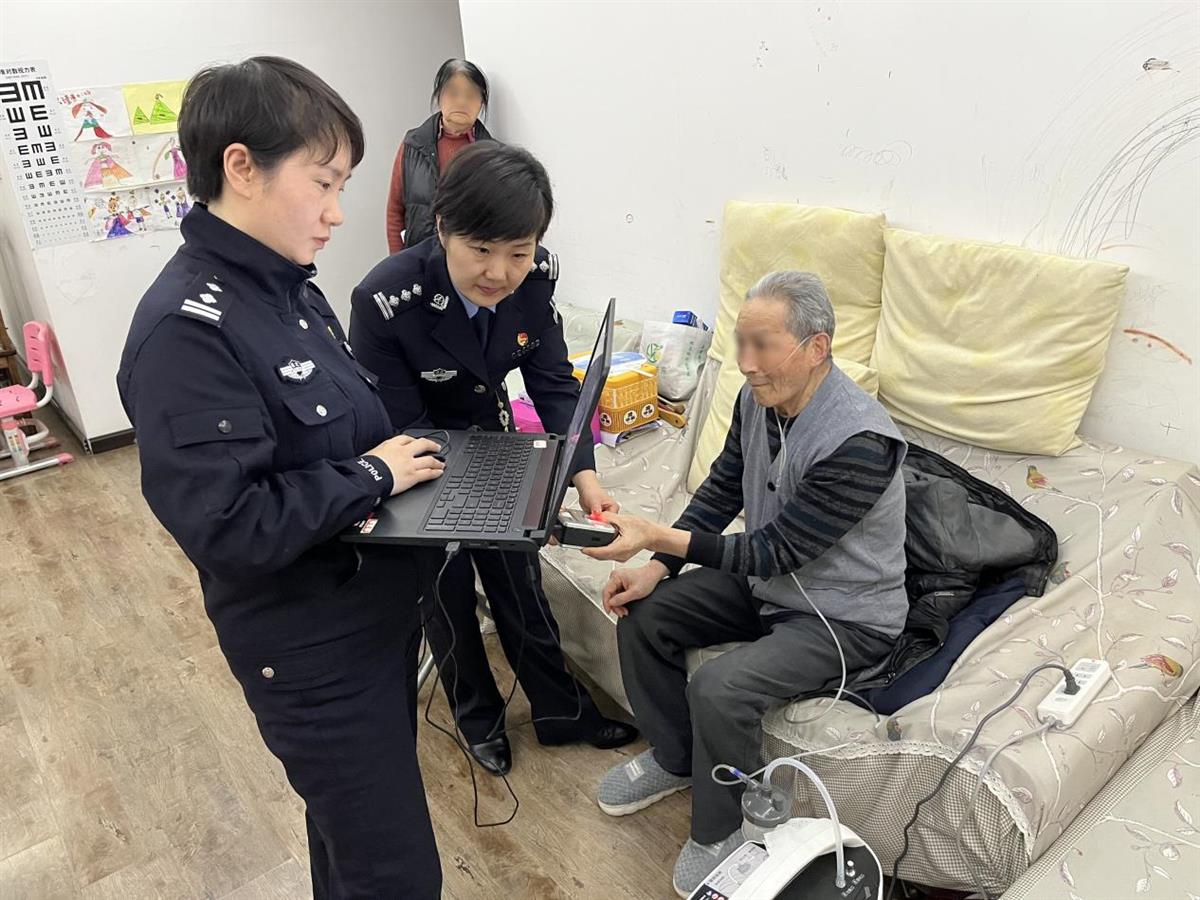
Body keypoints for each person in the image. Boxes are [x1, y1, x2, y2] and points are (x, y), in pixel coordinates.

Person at [116, 57, 444, 898]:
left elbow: (335, 437)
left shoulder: (289, 292)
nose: (338, 212)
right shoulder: (187, 332)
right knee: (397, 876)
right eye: (323, 183)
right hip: (312, 655)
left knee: (352, 849)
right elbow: (230, 526)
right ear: (241, 166)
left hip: (371, 619)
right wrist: (373, 474)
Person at [582, 272, 909, 898]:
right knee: (645, 614)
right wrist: (657, 567)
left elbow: (774, 549)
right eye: (741, 343)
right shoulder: (756, 400)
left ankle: (723, 828)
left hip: (843, 617)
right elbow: (722, 490)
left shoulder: (862, 441)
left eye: (763, 346)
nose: (746, 362)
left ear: (816, 347)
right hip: (769, 589)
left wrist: (653, 536)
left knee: (720, 687)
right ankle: (676, 757)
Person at [350, 141, 637, 777]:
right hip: (415, 455)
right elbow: (396, 424)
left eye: (518, 252)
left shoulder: (536, 280)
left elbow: (554, 382)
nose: (499, 273)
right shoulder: (387, 299)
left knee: (521, 586)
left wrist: (583, 476)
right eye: (481, 249)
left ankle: (562, 713)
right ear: (443, 228)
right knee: (446, 597)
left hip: (494, 438)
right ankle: (478, 720)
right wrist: (476, 497)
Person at [386, 57, 494, 253]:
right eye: (453, 93)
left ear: (481, 103)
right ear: (438, 97)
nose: (461, 101)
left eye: (471, 95)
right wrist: (399, 260)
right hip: (420, 257)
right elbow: (395, 211)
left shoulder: (493, 155)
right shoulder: (413, 145)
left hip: (472, 261)